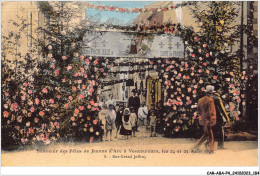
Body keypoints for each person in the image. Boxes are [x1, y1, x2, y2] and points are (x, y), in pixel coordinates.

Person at [194, 85, 216, 153]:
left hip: (203, 120)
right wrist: (207, 118)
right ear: (211, 93)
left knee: (206, 134)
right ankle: (211, 149)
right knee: (210, 135)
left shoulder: (200, 100)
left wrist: (201, 117)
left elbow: (198, 110)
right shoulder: (210, 100)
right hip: (209, 120)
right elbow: (210, 112)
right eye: (212, 93)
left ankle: (196, 146)